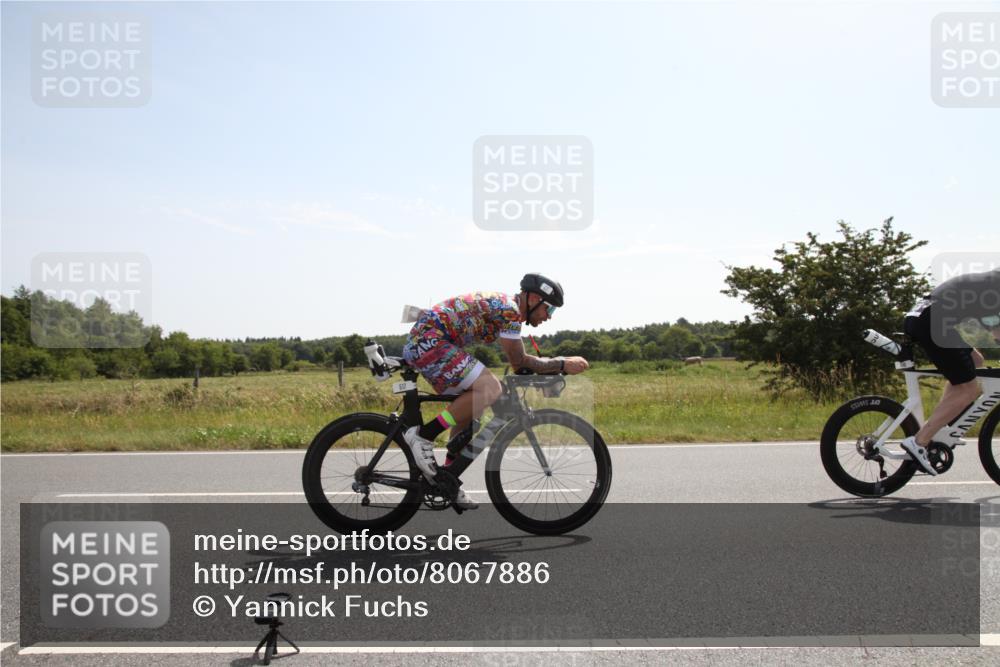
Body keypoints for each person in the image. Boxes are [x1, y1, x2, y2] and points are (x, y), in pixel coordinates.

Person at [401, 273, 589, 509]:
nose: (548, 318)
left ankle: (446, 479)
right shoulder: (510, 311)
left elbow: (519, 363)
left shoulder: (508, 309)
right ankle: (424, 435)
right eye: (548, 310)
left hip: (432, 342)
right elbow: (519, 361)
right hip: (430, 342)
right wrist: (561, 363)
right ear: (532, 298)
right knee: (490, 388)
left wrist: (549, 369)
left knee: (472, 412)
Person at [901, 268, 1000, 474]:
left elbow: (993, 327)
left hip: (923, 316)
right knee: (969, 390)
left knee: (976, 361)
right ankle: (920, 442)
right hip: (933, 321)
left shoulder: (990, 282)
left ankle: (942, 428)